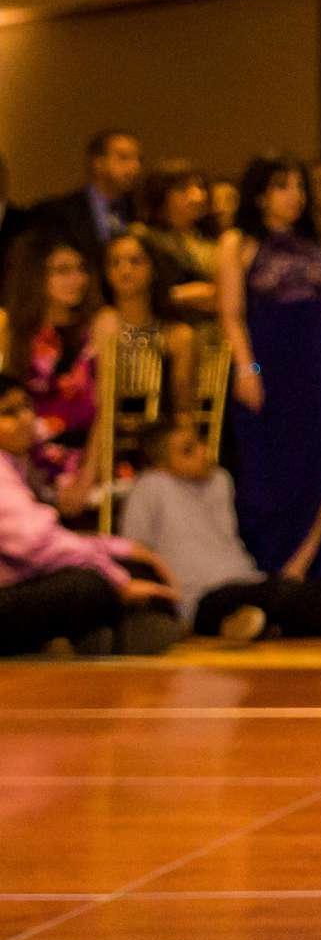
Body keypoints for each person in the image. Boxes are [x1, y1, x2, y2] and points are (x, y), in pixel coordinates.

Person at [218, 154, 321, 579]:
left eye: (300, 187)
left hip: (320, 366)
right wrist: (248, 370)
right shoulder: (238, 243)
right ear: (261, 194)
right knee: (268, 467)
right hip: (268, 366)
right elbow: (231, 313)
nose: (294, 196)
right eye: (283, 186)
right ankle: (275, 570)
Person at [117, 417, 321, 639]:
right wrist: (169, 597)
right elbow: (133, 551)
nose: (202, 452)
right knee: (286, 598)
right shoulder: (151, 487)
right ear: (160, 463)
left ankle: (259, 623)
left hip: (249, 581)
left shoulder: (219, 481)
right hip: (203, 598)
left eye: (199, 442)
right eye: (188, 450)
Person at [0, 371, 174, 653]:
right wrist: (117, 580)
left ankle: (97, 637)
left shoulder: (19, 464)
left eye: (26, 407)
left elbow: (51, 540)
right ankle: (110, 636)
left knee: (137, 567)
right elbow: (37, 544)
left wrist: (121, 549)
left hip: (22, 579)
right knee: (89, 585)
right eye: (8, 413)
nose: (25, 419)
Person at [2, 238, 102, 511]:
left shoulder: (98, 327)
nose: (77, 279)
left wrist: (85, 480)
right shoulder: (14, 331)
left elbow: (105, 414)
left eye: (80, 269)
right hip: (23, 457)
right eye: (62, 271)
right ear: (35, 276)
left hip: (85, 458)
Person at [94, 231, 197, 413]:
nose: (125, 270)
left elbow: (184, 410)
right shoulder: (101, 323)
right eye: (115, 263)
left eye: (135, 261)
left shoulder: (178, 336)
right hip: (100, 431)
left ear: (154, 269)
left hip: (161, 435)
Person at [31, 129, 141, 272]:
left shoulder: (140, 209)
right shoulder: (59, 212)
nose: (135, 167)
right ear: (98, 163)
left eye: (138, 159)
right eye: (124, 158)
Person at [135, 159, 220, 319]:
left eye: (200, 187)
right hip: (169, 325)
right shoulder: (145, 237)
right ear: (161, 195)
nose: (197, 196)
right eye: (183, 189)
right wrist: (179, 294)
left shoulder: (213, 237)